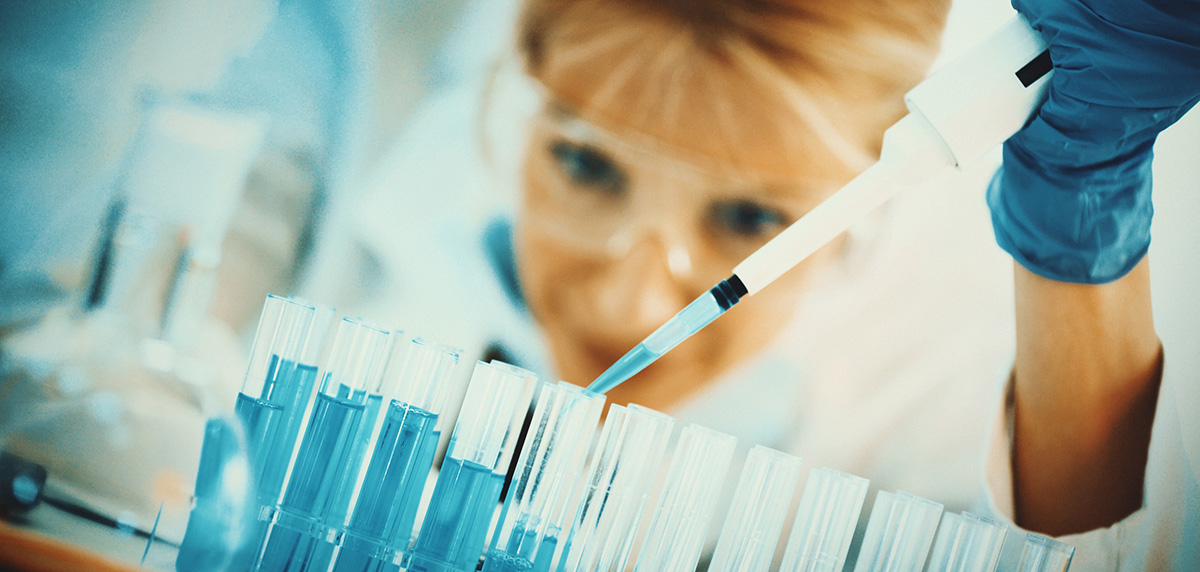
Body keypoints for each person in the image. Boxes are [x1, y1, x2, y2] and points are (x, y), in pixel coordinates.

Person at [305, 0, 1200, 569]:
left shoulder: (922, 408)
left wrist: (1081, 194)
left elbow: (1099, 548)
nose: (628, 308)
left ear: (861, 194)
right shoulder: (339, 202)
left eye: (749, 217)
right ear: (516, 91)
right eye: (584, 164)